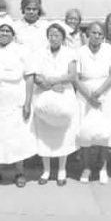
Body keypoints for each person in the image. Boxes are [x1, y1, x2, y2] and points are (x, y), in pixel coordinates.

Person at [0, 20, 36, 188]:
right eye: (1, 30)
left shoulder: (22, 51)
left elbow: (29, 77)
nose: (4, 33)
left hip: (14, 101)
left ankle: (19, 172)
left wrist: (27, 103)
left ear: (13, 34)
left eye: (8, 31)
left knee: (16, 138)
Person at [32, 23, 79, 186]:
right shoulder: (39, 53)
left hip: (64, 93)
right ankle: (46, 170)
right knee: (44, 132)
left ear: (63, 37)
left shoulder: (70, 53)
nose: (54, 38)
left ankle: (61, 170)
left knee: (63, 133)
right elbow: (36, 75)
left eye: (57, 35)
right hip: (43, 92)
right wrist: (51, 85)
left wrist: (55, 81)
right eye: (51, 35)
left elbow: (72, 75)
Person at [75, 22, 111, 184]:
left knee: (104, 132)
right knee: (85, 131)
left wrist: (99, 92)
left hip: (104, 92)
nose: (97, 36)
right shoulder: (80, 52)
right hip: (85, 94)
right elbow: (76, 77)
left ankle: (103, 167)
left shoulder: (110, 50)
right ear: (88, 34)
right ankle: (86, 167)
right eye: (94, 33)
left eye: (100, 34)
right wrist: (88, 96)